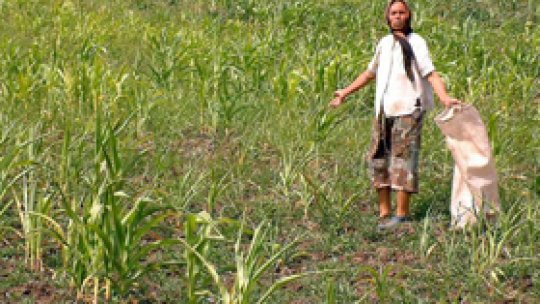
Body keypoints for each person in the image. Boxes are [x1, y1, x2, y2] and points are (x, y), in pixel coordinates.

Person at [329, 0, 461, 229]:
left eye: (402, 12)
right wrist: (345, 92)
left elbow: (431, 74)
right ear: (388, 17)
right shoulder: (384, 43)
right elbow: (370, 73)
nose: (398, 16)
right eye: (393, 13)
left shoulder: (416, 42)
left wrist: (445, 98)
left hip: (409, 109)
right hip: (384, 110)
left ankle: (402, 214)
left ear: (409, 15)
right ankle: (384, 212)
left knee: (403, 160)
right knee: (377, 157)